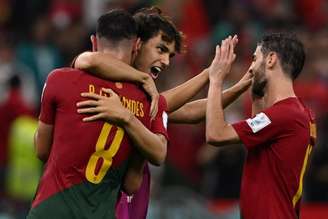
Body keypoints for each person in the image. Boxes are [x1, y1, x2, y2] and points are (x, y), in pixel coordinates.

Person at [74, 7, 252, 219]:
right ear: (137, 44)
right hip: (104, 200)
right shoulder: (109, 82)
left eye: (170, 54)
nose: (166, 61)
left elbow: (188, 111)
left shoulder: (142, 94)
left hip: (130, 200)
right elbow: (86, 60)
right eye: (160, 49)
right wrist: (209, 75)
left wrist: (239, 85)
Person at [27, 9, 169, 219]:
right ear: (137, 46)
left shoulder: (59, 80)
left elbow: (41, 151)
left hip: (51, 210)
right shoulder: (150, 101)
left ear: (94, 42)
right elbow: (131, 184)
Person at [206, 33, 316, 218]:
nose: (251, 68)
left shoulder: (285, 115)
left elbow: (216, 134)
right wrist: (256, 92)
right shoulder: (294, 113)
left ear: (271, 59)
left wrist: (216, 80)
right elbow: (257, 137)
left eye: (255, 59)